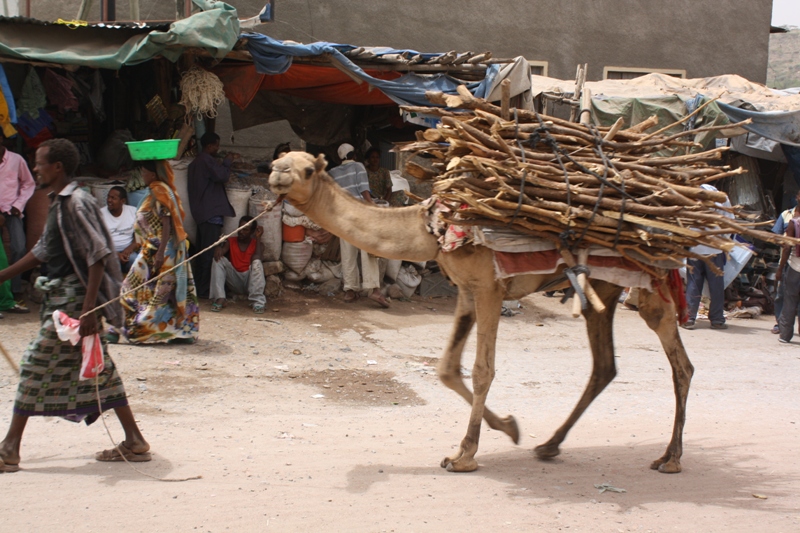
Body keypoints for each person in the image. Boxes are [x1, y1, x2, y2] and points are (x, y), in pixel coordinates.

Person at [0, 138, 150, 473]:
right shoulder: (58, 202)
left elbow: (97, 255)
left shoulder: (77, 202)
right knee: (100, 371)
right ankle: (134, 439)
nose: (35, 167)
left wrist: (89, 311)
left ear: (58, 167)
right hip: (65, 300)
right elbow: (41, 251)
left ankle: (9, 448)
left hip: (72, 302)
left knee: (33, 367)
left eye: (39, 162)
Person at [120, 160, 199, 344]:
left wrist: (160, 252)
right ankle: (171, 331)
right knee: (159, 291)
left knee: (153, 291)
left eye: (144, 173)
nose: (143, 176)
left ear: (153, 175)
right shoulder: (158, 189)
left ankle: (145, 330)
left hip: (160, 250)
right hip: (153, 248)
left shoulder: (159, 191)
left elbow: (167, 223)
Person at [328, 143, 390, 308]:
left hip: (343, 216)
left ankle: (350, 290)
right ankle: (374, 290)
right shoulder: (358, 166)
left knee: (347, 254)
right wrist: (372, 207)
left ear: (341, 157)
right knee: (367, 252)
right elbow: (364, 190)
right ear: (353, 155)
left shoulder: (332, 173)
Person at [187, 132, 238, 299]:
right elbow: (222, 175)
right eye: (216, 145)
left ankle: (200, 290)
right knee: (209, 255)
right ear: (209, 146)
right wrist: (227, 162)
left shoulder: (195, 163)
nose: (218, 148)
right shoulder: (206, 161)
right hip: (210, 214)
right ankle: (204, 292)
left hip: (201, 213)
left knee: (203, 253)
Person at [682, 184, 733, 330]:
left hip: (695, 247)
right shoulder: (721, 197)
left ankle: (689, 318)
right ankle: (717, 320)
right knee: (716, 286)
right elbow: (729, 221)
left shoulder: (690, 194)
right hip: (714, 249)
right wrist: (723, 241)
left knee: (693, 283)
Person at [0, 129, 36, 307]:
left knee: (19, 248)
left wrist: (19, 204)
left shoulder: (16, 160)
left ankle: (14, 291)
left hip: (12, 210)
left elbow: (29, 183)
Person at [210, 215, 266, 313]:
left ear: (252, 232)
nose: (241, 231)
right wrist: (219, 247)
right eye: (240, 228)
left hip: (250, 282)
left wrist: (258, 238)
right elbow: (222, 251)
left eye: (246, 230)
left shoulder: (258, 244)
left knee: (256, 262)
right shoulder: (231, 241)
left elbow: (258, 258)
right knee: (218, 259)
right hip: (234, 280)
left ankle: (258, 302)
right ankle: (220, 298)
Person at [770, 191, 800, 334]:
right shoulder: (786, 215)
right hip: (787, 260)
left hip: (792, 261)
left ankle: (786, 331)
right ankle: (780, 325)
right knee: (782, 294)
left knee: (790, 296)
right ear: (797, 197)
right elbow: (776, 236)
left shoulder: (795, 221)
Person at [101, 185, 139, 273]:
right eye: (108, 197)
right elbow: (99, 240)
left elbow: (139, 234)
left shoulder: (133, 212)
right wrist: (115, 254)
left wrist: (130, 248)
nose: (109, 200)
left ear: (123, 201)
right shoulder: (100, 214)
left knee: (136, 262)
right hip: (108, 252)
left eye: (113, 198)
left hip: (128, 252)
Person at [777, 213, 800, 343]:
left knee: (790, 301)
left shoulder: (794, 223)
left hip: (794, 268)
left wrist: (780, 269)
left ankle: (785, 335)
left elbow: (787, 248)